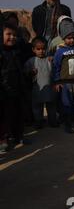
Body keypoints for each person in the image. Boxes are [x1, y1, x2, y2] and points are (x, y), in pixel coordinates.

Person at [0, 22, 27, 151]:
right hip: (3, 91)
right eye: (8, 34)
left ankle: (18, 135)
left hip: (17, 88)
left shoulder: (17, 51)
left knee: (18, 114)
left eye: (15, 35)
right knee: (3, 116)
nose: (12, 37)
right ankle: (3, 139)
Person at [24, 37, 58, 129]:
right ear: (33, 49)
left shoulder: (50, 60)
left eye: (43, 49)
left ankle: (52, 121)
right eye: (38, 49)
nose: (41, 51)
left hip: (50, 89)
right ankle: (38, 121)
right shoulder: (31, 61)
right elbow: (25, 73)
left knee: (51, 107)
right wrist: (31, 72)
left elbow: (56, 71)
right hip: (37, 89)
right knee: (37, 108)